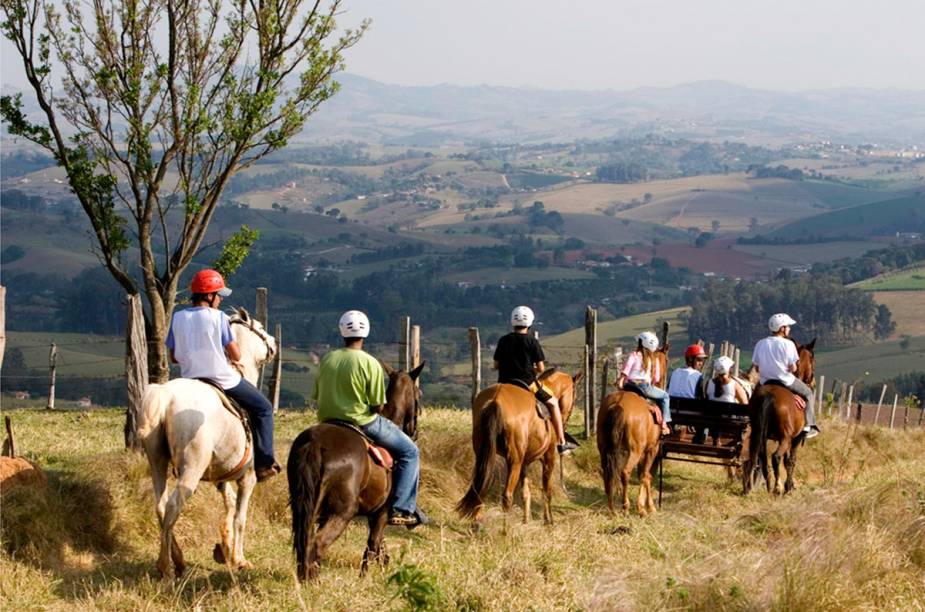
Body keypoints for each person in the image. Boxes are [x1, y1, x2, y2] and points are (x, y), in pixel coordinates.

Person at [312, 310, 424, 526]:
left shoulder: (327, 360)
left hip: (326, 421)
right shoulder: (370, 363)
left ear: (342, 331)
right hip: (362, 422)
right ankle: (402, 508)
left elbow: (317, 395)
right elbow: (377, 405)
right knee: (411, 452)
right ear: (366, 333)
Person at [166, 269, 280, 481]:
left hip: (189, 379)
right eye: (218, 295)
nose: (219, 300)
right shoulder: (219, 317)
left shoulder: (178, 317)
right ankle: (264, 463)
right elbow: (236, 354)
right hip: (221, 379)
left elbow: (173, 356)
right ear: (208, 296)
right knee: (263, 408)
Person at [493, 306, 578, 455]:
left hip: (504, 383)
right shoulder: (532, 341)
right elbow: (540, 368)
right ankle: (561, 442)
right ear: (530, 323)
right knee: (553, 403)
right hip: (528, 383)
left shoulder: (503, 340)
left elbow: (496, 365)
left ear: (512, 322)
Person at [751, 313, 820, 439]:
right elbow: (793, 367)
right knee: (809, 393)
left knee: (753, 398)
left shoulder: (760, 343)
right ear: (782, 328)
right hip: (785, 381)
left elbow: (756, 367)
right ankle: (809, 425)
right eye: (787, 326)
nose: (789, 329)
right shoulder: (788, 344)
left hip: (764, 381)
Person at [617, 331, 671, 435]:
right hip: (644, 387)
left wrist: (621, 379)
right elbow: (656, 378)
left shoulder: (634, 354)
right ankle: (664, 423)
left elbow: (627, 367)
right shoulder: (653, 360)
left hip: (630, 385)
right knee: (665, 396)